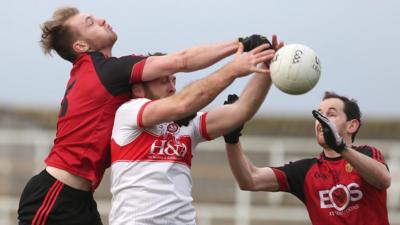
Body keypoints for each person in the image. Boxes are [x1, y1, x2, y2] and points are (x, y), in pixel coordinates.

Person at [17, 6, 275, 225]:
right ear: (81, 45)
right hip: (55, 194)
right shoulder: (106, 72)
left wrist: (264, 66)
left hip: (80, 198)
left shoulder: (109, 77)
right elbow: (183, 61)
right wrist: (240, 46)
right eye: (90, 22)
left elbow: (193, 97)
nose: (101, 20)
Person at [109, 36, 284, 224]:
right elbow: (184, 103)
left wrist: (267, 68)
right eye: (163, 81)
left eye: (173, 80)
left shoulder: (187, 122)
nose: (172, 87)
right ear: (138, 90)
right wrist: (233, 69)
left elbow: (241, 111)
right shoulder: (129, 112)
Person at [224, 91, 391, 225]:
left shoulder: (367, 154)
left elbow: (383, 180)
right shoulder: (306, 171)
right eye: (318, 115)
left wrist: (341, 148)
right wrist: (232, 139)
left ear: (352, 125)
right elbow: (250, 179)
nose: (321, 121)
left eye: (331, 114)